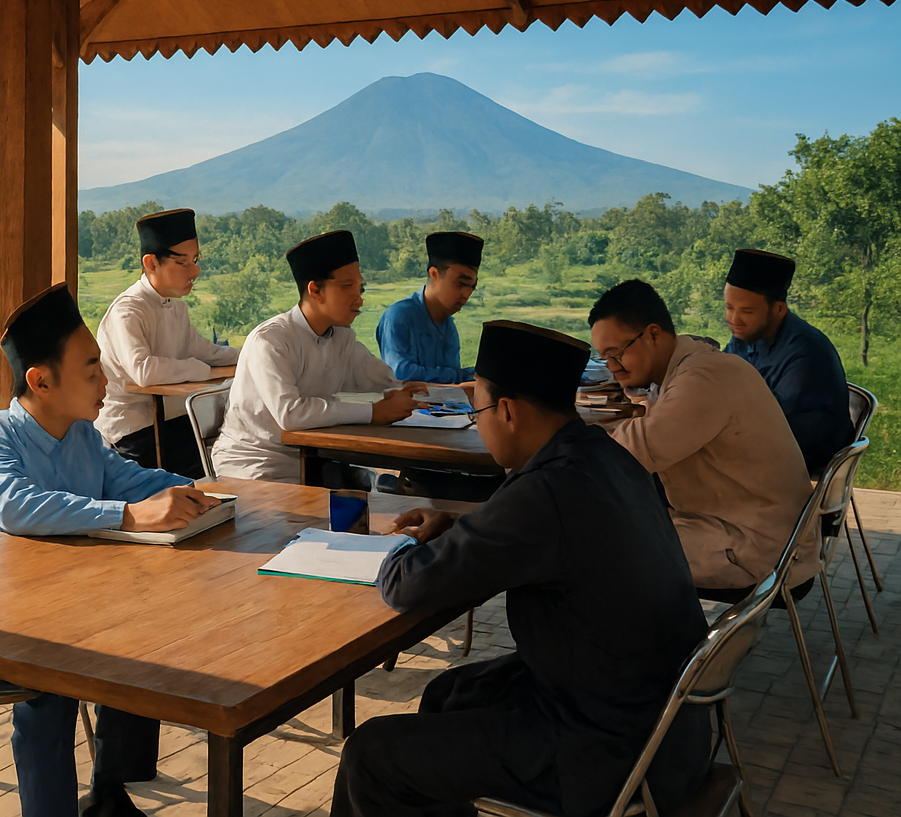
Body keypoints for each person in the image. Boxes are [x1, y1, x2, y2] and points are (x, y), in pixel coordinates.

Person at [333, 320, 710, 817]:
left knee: (371, 754)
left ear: (507, 411)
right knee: (452, 692)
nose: (479, 422)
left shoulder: (544, 493)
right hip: (665, 721)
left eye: (477, 410)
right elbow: (531, 534)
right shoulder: (603, 455)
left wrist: (397, 546)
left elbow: (410, 586)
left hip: (606, 749)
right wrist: (456, 526)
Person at [0, 283, 219, 817]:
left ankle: (110, 790)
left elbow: (128, 479)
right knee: (57, 677)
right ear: (40, 380)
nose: (105, 381)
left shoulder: (83, 435)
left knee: (141, 633)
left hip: (51, 614)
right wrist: (130, 516)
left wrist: (207, 493)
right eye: (91, 370)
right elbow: (17, 507)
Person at [589, 279, 816, 592]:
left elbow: (633, 450)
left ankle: (662, 640)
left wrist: (557, 437)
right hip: (749, 530)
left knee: (587, 549)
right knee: (607, 524)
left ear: (653, 334)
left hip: (758, 549)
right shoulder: (694, 365)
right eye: (604, 357)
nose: (612, 367)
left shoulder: (705, 378)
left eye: (617, 353)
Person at [210, 229, 424, 484]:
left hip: (314, 459)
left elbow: (380, 380)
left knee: (386, 489)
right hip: (257, 464)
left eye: (360, 287)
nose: (360, 299)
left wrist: (400, 392)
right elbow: (291, 414)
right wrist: (372, 412)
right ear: (315, 290)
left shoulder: (342, 337)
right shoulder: (271, 341)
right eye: (348, 287)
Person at [95, 207, 239, 477]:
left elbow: (207, 352)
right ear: (151, 263)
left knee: (214, 479)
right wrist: (203, 371)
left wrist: (252, 355)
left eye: (195, 259)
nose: (195, 270)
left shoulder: (176, 307)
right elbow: (144, 371)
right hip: (133, 430)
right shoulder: (129, 310)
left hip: (173, 420)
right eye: (183, 262)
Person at [723, 248, 853, 474]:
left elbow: (778, 430)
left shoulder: (806, 353)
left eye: (747, 311)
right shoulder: (745, 337)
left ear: (779, 309)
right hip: (758, 448)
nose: (734, 320)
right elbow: (721, 381)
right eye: (728, 307)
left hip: (794, 467)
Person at [376, 231, 482, 383]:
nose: (467, 293)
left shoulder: (448, 326)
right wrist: (457, 376)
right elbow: (401, 373)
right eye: (461, 284)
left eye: (472, 286)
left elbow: (452, 379)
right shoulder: (399, 316)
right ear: (434, 274)